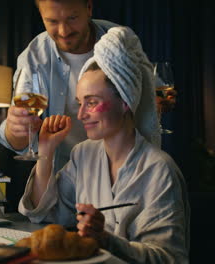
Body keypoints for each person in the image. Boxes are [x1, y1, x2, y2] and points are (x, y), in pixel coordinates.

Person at [18, 27, 189, 263]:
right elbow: (45, 214)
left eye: (92, 102)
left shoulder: (159, 170)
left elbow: (171, 259)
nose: (80, 114)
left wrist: (106, 239)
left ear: (125, 102)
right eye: (79, 103)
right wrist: (46, 150)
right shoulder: (83, 154)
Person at [0, 0, 175, 174]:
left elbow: (150, 95)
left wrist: (154, 102)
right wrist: (16, 129)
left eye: (72, 18)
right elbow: (19, 142)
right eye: (52, 21)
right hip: (63, 171)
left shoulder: (119, 41)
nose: (63, 31)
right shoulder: (33, 58)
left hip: (122, 169)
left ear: (89, 7)